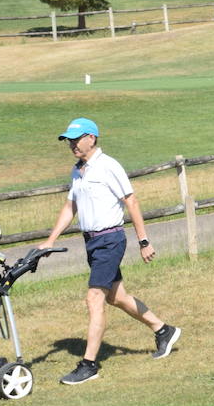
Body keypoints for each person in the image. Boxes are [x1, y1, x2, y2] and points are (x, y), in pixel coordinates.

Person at [40, 118, 181, 385]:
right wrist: (50, 240)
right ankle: (163, 330)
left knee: (95, 298)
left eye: (76, 138)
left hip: (110, 240)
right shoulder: (77, 171)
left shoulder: (108, 166)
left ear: (91, 138)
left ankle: (89, 364)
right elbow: (70, 208)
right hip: (92, 242)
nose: (71, 144)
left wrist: (143, 241)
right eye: (69, 140)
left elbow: (131, 200)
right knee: (117, 297)